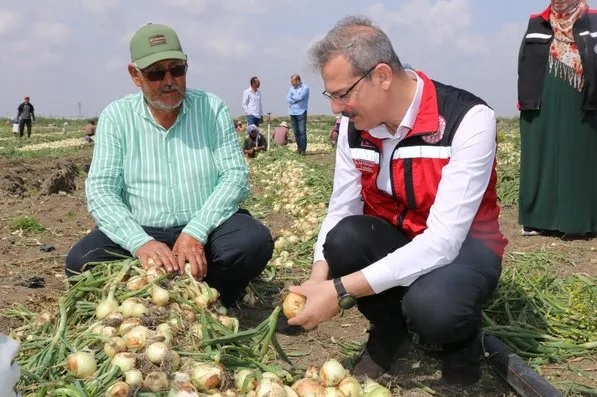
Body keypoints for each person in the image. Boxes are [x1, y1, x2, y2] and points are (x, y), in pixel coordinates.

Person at [287, 16, 507, 387]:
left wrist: (339, 290)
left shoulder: (466, 119)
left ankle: (461, 343)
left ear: (383, 76)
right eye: (332, 96)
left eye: (343, 94)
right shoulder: (353, 131)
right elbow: (342, 208)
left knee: (434, 306)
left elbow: (442, 243)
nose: (336, 109)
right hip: (400, 238)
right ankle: (390, 333)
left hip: (464, 250)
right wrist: (317, 279)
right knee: (342, 239)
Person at [65, 23, 273, 307]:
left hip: (206, 227)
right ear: (135, 76)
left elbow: (234, 177)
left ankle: (214, 296)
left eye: (177, 69)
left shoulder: (211, 109)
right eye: (155, 73)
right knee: (80, 262)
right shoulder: (117, 117)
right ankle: (165, 290)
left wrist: (195, 232)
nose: (169, 80)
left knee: (253, 243)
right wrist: (141, 243)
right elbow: (101, 190)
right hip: (143, 227)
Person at [518, 0, 597, 236]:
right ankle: (537, 219)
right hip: (543, 99)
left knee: (581, 157)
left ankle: (582, 221)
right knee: (541, 156)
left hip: (584, 100)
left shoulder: (593, 20)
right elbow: (524, 62)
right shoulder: (537, 22)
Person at [286, 74, 310, 155]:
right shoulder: (291, 89)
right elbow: (288, 99)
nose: (292, 83)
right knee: (296, 132)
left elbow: (301, 98)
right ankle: (299, 148)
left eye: (293, 81)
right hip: (292, 112)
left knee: (302, 131)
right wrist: (294, 99)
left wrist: (293, 98)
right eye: (291, 81)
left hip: (301, 111)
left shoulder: (305, 88)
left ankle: (303, 150)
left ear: (298, 80)